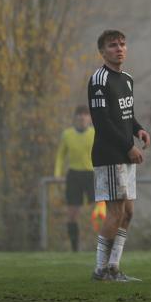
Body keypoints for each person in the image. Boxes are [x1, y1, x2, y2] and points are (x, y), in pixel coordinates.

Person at [88, 29, 150, 282]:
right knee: (115, 211)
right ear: (102, 51)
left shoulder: (126, 79)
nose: (119, 48)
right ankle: (101, 269)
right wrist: (128, 146)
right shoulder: (99, 80)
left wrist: (139, 129)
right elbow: (102, 121)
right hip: (110, 154)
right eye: (113, 45)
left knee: (128, 212)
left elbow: (126, 114)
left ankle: (114, 267)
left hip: (124, 154)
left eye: (123, 44)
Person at [54, 105, 95, 252]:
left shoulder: (95, 134)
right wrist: (58, 173)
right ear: (75, 118)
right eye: (79, 115)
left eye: (85, 115)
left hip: (92, 175)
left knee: (101, 211)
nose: (82, 117)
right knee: (72, 214)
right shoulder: (67, 135)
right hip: (74, 175)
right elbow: (60, 155)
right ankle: (75, 249)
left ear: (90, 118)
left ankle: (103, 247)